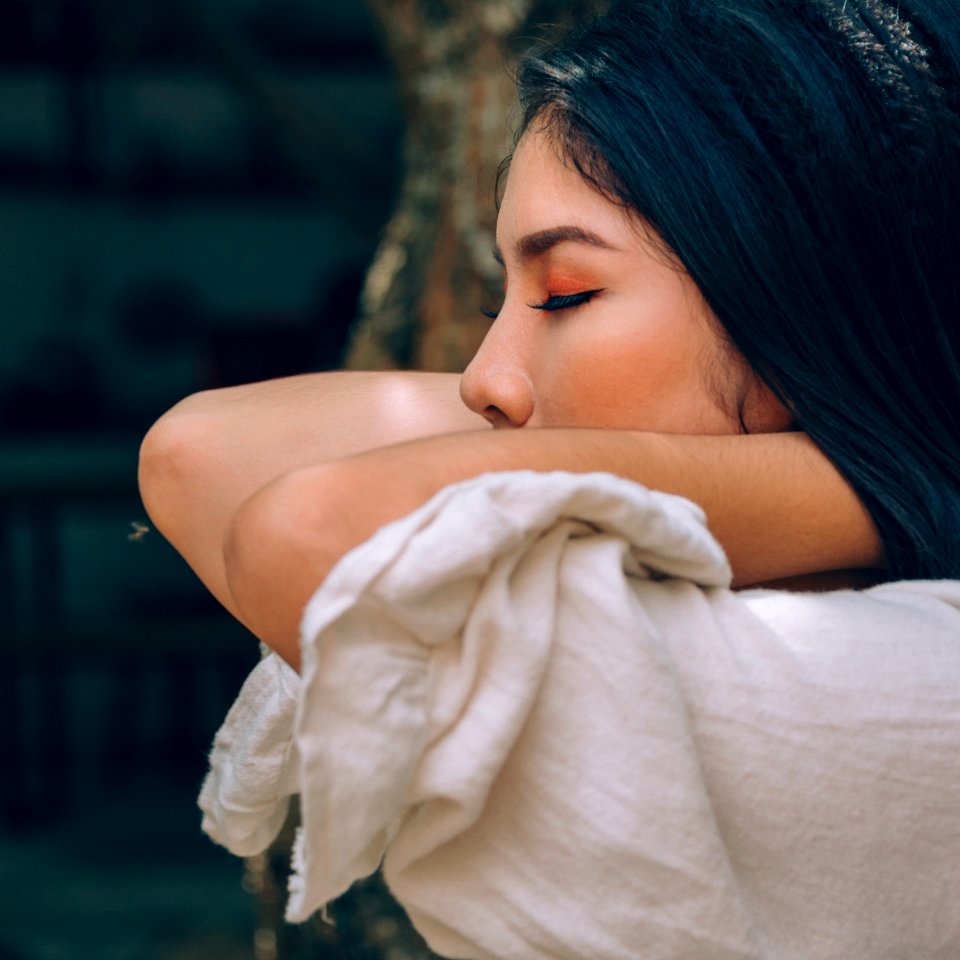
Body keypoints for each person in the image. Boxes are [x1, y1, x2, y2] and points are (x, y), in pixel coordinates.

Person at [139, 1, 960, 957]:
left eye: (566, 294)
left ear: (799, 310)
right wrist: (866, 479)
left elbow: (302, 526)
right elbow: (192, 454)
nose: (486, 378)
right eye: (503, 300)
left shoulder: (887, 672)